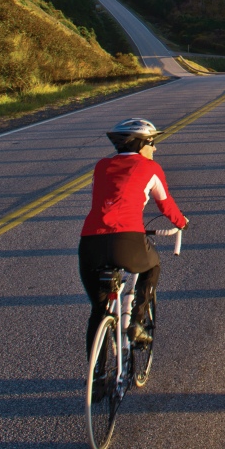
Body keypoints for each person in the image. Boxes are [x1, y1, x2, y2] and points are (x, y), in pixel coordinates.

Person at [78, 118, 188, 350]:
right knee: (152, 266)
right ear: (139, 145)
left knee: (98, 312)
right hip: (127, 239)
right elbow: (165, 204)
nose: (155, 148)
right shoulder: (150, 168)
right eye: (151, 142)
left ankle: (97, 379)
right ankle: (137, 320)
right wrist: (182, 223)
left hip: (90, 243)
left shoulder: (101, 166)